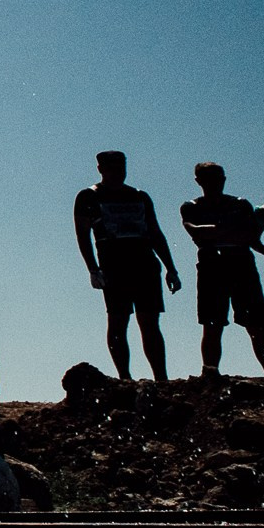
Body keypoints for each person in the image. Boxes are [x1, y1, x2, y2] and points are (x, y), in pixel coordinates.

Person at [74, 150, 183, 382]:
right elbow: (82, 235)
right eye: (112, 167)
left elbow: (155, 233)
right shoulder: (88, 197)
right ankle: (125, 377)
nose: (118, 172)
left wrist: (171, 267)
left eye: (121, 167)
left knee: (150, 322)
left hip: (145, 264)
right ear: (101, 169)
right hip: (113, 266)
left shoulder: (140, 196)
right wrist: (93, 269)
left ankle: (161, 378)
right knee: (118, 319)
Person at [179, 162, 264, 377]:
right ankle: (210, 373)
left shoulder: (240, 204)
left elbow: (250, 236)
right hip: (213, 266)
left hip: (240, 264)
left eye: (219, 177)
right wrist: (230, 230)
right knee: (212, 323)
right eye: (211, 178)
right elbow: (196, 233)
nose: (217, 182)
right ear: (199, 181)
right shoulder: (192, 207)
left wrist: (216, 232)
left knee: (256, 325)